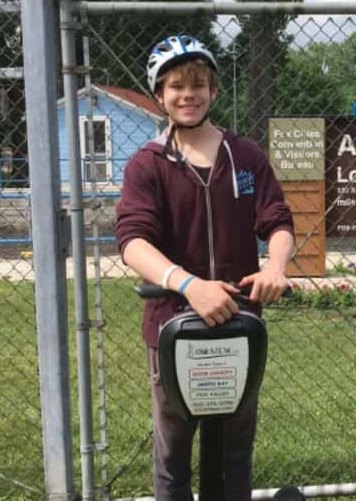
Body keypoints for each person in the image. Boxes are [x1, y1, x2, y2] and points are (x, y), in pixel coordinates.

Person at [115, 34, 295, 500]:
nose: (186, 94)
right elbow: (133, 241)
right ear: (159, 95)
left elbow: (277, 220)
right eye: (174, 85)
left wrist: (276, 265)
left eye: (197, 84)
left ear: (214, 91)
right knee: (174, 456)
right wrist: (189, 284)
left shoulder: (246, 157)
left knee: (233, 454)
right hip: (172, 326)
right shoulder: (147, 165)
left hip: (239, 323)